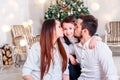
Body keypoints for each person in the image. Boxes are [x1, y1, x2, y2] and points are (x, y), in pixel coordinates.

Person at [73, 14, 118, 80]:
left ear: (85, 31)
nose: (73, 28)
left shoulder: (100, 47)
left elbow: (112, 75)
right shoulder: (76, 46)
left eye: (76, 26)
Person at [61, 15, 102, 80]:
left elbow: (93, 36)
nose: (68, 32)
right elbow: (61, 49)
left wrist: (94, 39)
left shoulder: (80, 36)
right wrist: (69, 56)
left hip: (81, 62)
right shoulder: (63, 39)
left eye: (70, 28)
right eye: (65, 29)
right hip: (72, 59)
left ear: (75, 27)